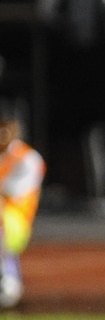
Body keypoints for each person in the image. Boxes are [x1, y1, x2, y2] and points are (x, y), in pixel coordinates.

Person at [0, 102, 44, 308]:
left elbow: (8, 194)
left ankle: (7, 279)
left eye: (6, 126)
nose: (2, 132)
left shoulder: (28, 159)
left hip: (16, 227)